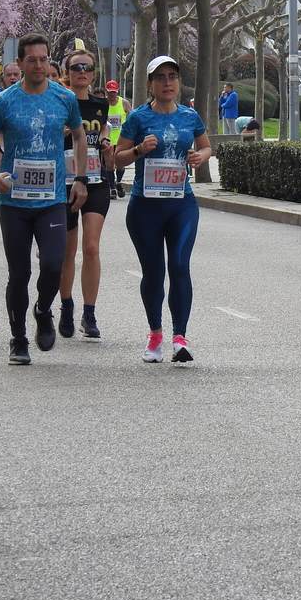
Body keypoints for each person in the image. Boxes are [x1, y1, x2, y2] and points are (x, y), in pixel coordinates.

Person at [0, 33, 87, 366]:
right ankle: (18, 338)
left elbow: (79, 136)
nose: (39, 65)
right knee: (19, 271)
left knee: (54, 263)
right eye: (32, 60)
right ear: (21, 63)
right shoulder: (5, 101)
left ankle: (43, 309)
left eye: (44, 59)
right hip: (14, 202)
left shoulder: (64, 98)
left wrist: (80, 178)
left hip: (52, 197)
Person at [115, 55, 211, 364]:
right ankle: (155, 334)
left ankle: (180, 338)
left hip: (181, 203)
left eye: (172, 77)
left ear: (179, 82)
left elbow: (206, 145)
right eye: (160, 78)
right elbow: (118, 158)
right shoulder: (138, 118)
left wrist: (201, 157)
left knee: (180, 267)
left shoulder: (190, 116)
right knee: (154, 273)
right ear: (150, 84)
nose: (167, 82)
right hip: (145, 207)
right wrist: (140, 149)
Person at [57, 49, 111, 341]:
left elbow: (104, 131)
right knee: (68, 250)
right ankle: (66, 305)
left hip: (95, 181)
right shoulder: (59, 103)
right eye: (76, 67)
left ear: (93, 74)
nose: (81, 72)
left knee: (91, 248)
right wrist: (59, 132)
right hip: (64, 182)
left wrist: (105, 141)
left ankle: (89, 313)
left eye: (87, 68)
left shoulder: (100, 105)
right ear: (67, 73)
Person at [105, 79, 132, 198]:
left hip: (122, 139)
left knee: (120, 165)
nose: (112, 95)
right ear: (107, 92)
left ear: (117, 91)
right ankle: (112, 188)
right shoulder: (103, 103)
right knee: (110, 163)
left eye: (114, 92)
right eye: (110, 92)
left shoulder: (124, 103)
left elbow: (131, 118)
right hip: (108, 139)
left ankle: (118, 182)